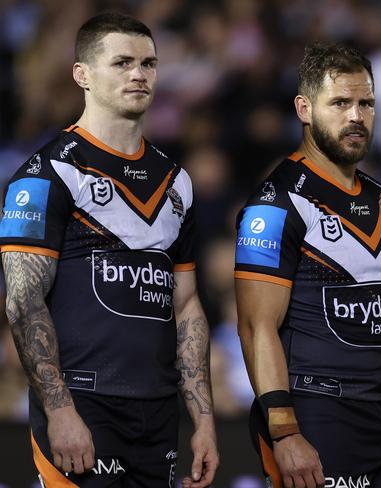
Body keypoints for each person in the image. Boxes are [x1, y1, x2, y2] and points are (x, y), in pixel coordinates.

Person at [0, 13, 219, 487]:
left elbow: (185, 303)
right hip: (83, 406)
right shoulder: (47, 175)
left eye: (148, 63)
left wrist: (202, 421)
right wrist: (60, 412)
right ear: (82, 74)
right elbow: (22, 301)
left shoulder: (175, 181)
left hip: (158, 413)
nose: (138, 74)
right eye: (121, 62)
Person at [235, 42, 381, 488]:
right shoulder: (276, 205)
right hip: (314, 418)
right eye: (340, 103)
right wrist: (285, 431)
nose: (357, 116)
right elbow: (256, 328)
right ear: (304, 108)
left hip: (380, 415)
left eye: (366, 103)